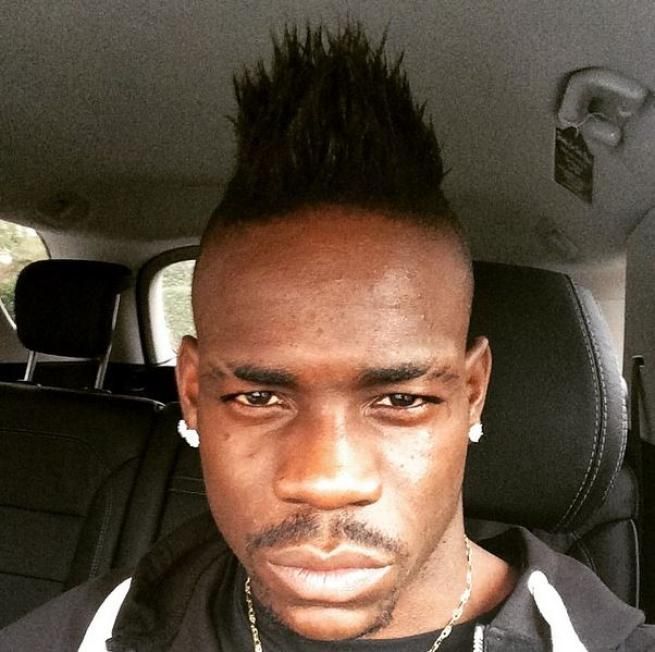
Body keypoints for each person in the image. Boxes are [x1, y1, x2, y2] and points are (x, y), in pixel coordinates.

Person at [1, 23, 654, 652]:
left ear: (472, 394)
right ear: (193, 393)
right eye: (258, 397)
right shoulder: (88, 635)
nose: (325, 479)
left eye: (401, 399)